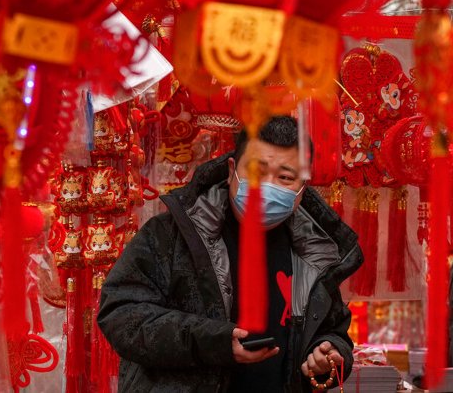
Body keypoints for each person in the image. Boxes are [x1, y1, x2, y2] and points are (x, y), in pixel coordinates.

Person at [98, 116, 363, 392]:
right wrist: (213, 342)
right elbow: (121, 314)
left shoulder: (315, 253)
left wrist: (329, 354)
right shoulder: (170, 235)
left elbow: (333, 330)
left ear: (301, 188)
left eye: (284, 177)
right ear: (232, 169)